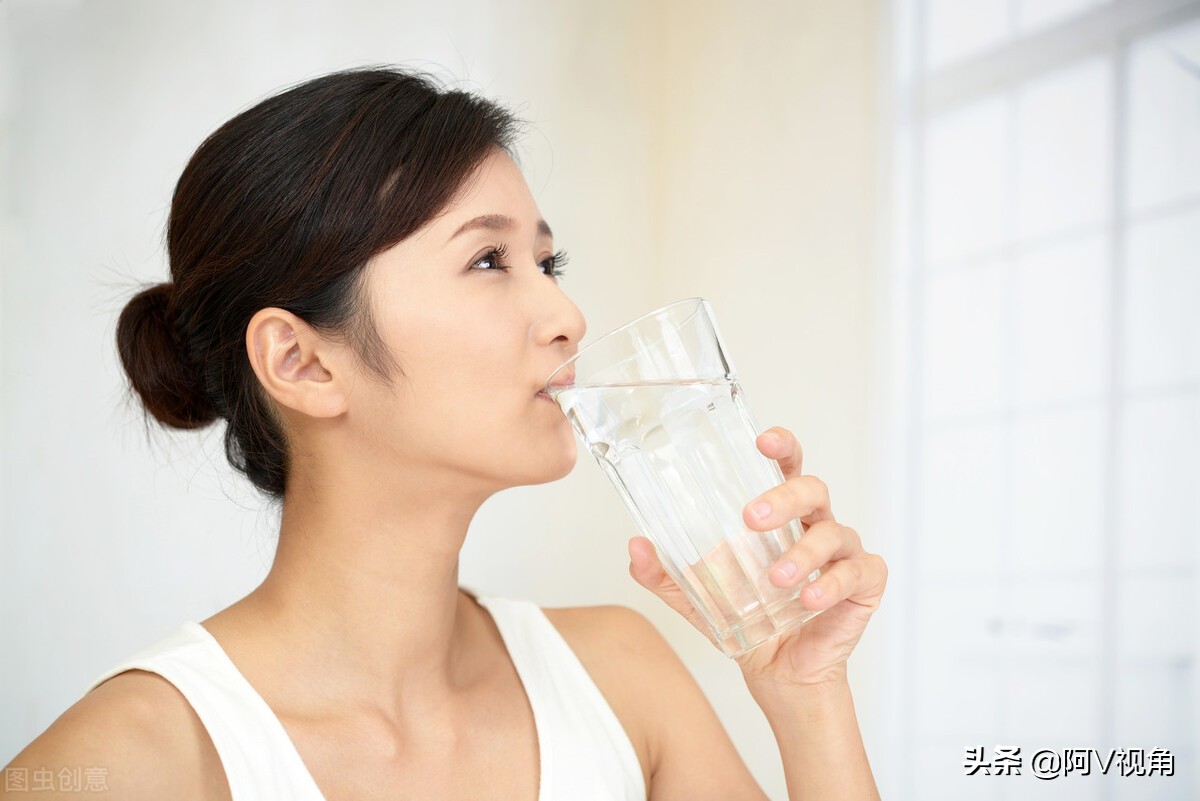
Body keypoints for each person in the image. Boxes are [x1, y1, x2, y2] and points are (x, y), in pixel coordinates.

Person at [2, 66, 887, 800]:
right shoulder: (125, 766)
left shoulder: (622, 678)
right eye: (487, 260)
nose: (567, 315)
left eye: (548, 262)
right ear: (302, 362)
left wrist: (804, 693)